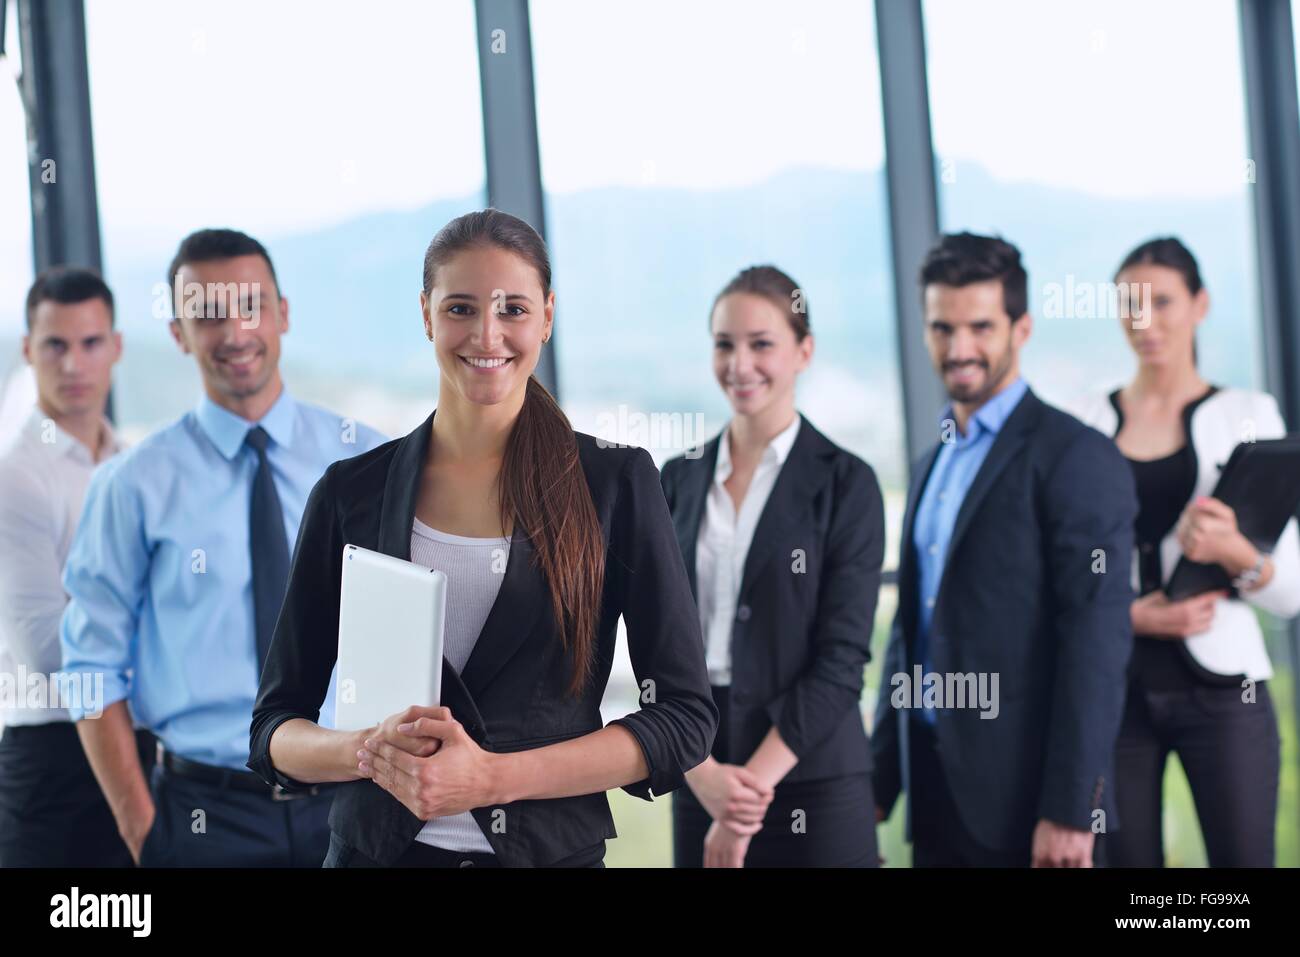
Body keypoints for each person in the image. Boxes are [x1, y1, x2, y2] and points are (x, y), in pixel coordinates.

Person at [247, 208, 718, 868]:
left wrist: (491, 778)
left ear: (547, 317)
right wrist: (367, 749)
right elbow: (274, 728)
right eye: (461, 307)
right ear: (426, 314)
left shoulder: (615, 482)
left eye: (513, 309)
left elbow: (683, 717)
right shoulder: (350, 493)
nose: (487, 333)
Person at [59, 229, 386, 867]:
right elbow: (90, 669)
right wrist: (142, 829)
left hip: (355, 797)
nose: (234, 332)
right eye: (207, 313)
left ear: (282, 314)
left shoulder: (364, 457)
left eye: (251, 305)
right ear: (178, 332)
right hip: (205, 818)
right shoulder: (132, 485)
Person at [872, 231, 1138, 867]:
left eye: (980, 327)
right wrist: (879, 777)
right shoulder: (933, 461)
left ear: (1022, 328)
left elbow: (1096, 644)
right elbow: (914, 632)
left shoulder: (1075, 456)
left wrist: (1074, 809)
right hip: (935, 795)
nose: (959, 349)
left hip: (1033, 804)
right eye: (942, 328)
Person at [1069, 237, 1300, 867]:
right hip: (1113, 694)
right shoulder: (1085, 419)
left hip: (1224, 694)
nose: (1144, 321)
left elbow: (1290, 594)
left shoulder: (1248, 415)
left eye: (1162, 301)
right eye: (1129, 303)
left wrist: (1232, 551)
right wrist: (1130, 616)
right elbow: (1053, 573)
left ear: (1200, 305)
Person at [660, 265, 884, 868]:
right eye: (725, 344)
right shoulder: (676, 478)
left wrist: (746, 797)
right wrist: (702, 775)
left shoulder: (847, 483)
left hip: (811, 772)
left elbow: (842, 662)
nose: (740, 364)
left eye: (762, 344)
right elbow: (655, 641)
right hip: (700, 771)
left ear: (803, 351)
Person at [0, 267, 150, 867]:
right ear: (28, 351)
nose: (73, 364)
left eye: (90, 343)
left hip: (137, 747)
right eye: (55, 346)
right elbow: (45, 649)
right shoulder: (16, 474)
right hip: (53, 757)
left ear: (114, 348)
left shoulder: (132, 464)